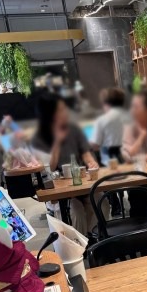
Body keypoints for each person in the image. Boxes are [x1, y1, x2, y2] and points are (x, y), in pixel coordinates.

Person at [31, 93, 100, 236]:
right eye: (61, 109)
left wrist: (91, 163)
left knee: (101, 201)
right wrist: (57, 141)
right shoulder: (40, 138)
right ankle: (80, 243)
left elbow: (85, 153)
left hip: (81, 184)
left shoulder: (73, 129)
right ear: (50, 114)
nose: (66, 112)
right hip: (60, 191)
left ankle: (94, 237)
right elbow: (48, 168)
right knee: (76, 209)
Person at [91, 88, 130, 165]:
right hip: (131, 159)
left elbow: (95, 145)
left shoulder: (102, 120)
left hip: (110, 163)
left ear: (106, 103)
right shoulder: (131, 117)